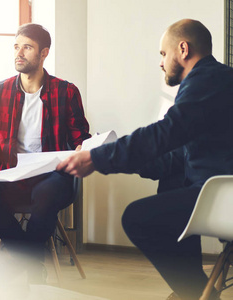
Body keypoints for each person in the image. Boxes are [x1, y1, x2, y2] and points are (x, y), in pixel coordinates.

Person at [57, 19, 233, 300]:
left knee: (138, 218)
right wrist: (110, 153)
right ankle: (193, 290)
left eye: (163, 54)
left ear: (183, 49)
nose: (161, 63)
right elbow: (175, 156)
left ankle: (196, 293)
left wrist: (98, 158)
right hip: (215, 191)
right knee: (172, 180)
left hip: (225, 199)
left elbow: (166, 133)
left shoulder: (208, 80)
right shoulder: (212, 82)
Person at [0, 23, 91, 282]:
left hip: (53, 175)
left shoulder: (66, 91)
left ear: (44, 53)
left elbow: (81, 137)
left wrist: (83, 148)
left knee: (45, 193)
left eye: (27, 47)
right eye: (16, 46)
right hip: (12, 173)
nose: (18, 53)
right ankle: (32, 262)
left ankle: (26, 262)